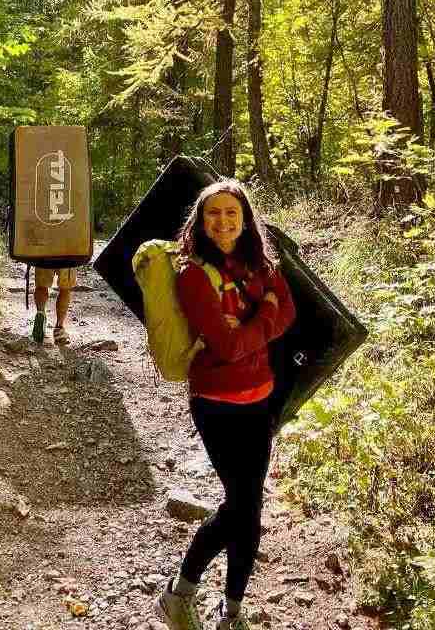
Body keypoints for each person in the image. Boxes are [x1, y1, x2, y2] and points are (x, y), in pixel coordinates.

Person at [156, 180, 296, 630]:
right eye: (213, 213)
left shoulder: (261, 262)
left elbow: (288, 312)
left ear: (245, 218)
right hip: (216, 402)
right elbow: (228, 345)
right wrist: (265, 314)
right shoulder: (192, 274)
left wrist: (256, 321)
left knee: (248, 506)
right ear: (200, 220)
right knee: (240, 505)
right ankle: (181, 592)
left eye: (231, 213)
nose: (222, 221)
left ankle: (231, 610)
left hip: (261, 396)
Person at [31, 267, 76, 346]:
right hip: (68, 256)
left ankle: (40, 313)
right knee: (65, 288)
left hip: (45, 256)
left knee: (41, 285)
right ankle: (59, 329)